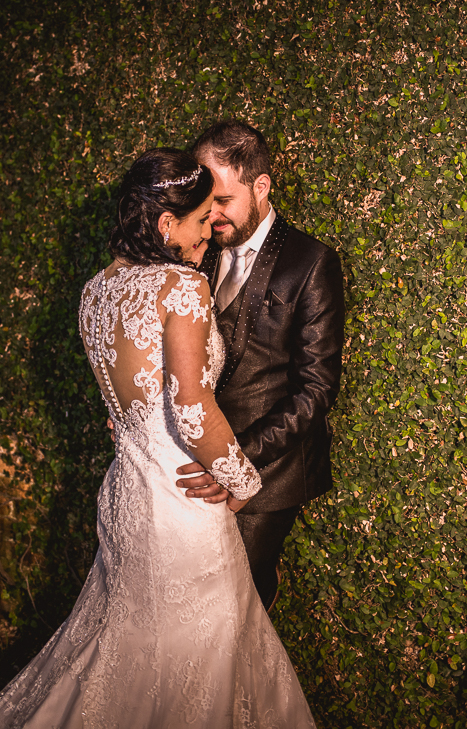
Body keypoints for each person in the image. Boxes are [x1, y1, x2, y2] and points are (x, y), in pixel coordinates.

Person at [0, 148, 316, 728]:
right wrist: (243, 483)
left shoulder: (96, 290)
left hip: (125, 496)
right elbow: (191, 410)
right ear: (167, 223)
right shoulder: (182, 288)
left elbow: (124, 407)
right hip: (180, 504)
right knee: (198, 661)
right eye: (200, 222)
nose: (209, 235)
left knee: (128, 649)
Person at [175, 121, 345, 611]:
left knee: (235, 603)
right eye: (205, 202)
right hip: (193, 461)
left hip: (269, 471)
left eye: (223, 200)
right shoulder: (195, 248)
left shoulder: (311, 262)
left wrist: (236, 460)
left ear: (261, 186)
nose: (211, 214)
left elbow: (315, 388)